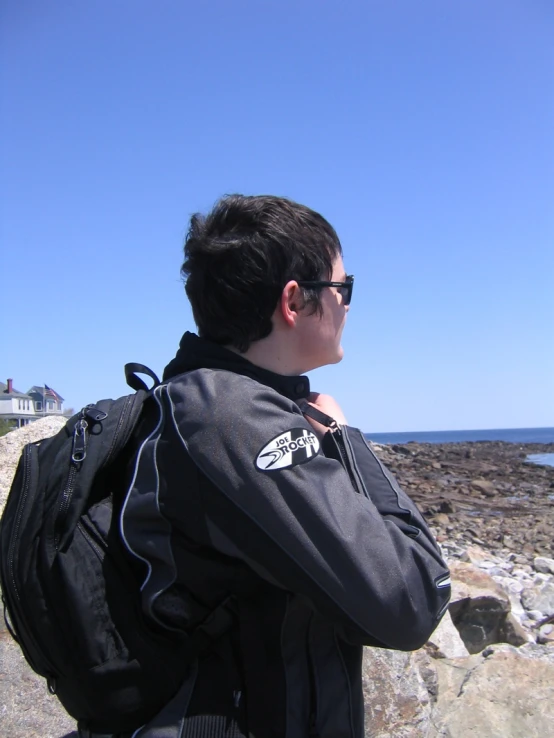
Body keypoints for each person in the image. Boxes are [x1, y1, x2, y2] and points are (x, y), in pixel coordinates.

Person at [118, 195, 451, 738]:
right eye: (343, 289)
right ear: (294, 302)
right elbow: (414, 596)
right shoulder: (231, 418)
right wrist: (346, 440)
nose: (348, 305)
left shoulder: (203, 400)